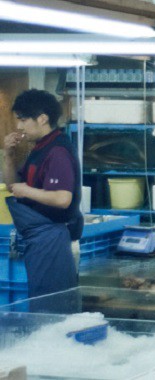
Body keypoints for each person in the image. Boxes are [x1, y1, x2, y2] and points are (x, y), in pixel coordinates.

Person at [3, 89, 81, 298]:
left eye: (23, 120)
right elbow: (13, 186)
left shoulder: (58, 151)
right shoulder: (39, 148)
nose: (19, 126)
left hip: (51, 237)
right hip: (37, 237)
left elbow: (62, 199)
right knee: (41, 296)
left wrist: (27, 191)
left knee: (51, 303)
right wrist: (8, 156)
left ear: (43, 119)